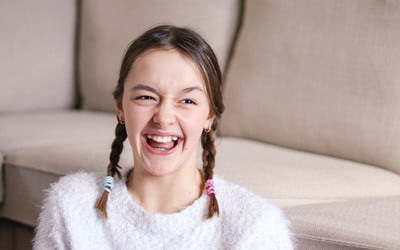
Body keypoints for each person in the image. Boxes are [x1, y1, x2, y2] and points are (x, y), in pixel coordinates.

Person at [33, 25, 293, 249]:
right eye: (146, 97)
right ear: (121, 107)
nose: (163, 117)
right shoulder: (71, 205)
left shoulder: (256, 227)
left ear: (210, 117)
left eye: (187, 100)